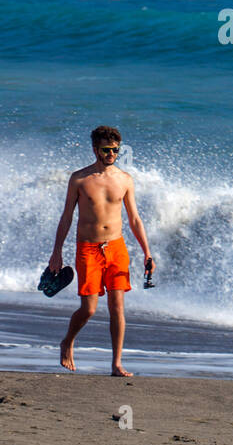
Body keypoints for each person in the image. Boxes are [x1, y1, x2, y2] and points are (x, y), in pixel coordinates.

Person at [47, 125, 153, 377]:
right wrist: (57, 252)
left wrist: (147, 252)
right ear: (95, 149)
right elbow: (66, 218)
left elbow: (135, 219)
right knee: (90, 309)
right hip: (88, 249)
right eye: (106, 150)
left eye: (115, 150)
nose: (111, 154)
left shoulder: (125, 179)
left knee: (117, 308)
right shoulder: (79, 179)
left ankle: (116, 363)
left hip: (116, 248)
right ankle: (67, 342)